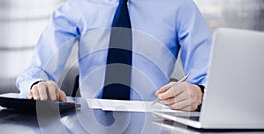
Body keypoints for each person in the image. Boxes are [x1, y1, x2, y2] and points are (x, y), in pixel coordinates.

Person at [16, 0, 212, 111]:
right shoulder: (78, 6)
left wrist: (199, 92)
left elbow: (208, 76)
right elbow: (38, 70)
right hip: (87, 119)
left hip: (155, 122)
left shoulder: (180, 6)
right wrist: (37, 85)